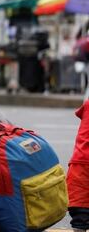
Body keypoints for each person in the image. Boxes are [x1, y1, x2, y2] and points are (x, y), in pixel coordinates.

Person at [67, 98, 89, 232]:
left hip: (80, 161)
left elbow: (80, 113)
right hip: (81, 162)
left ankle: (79, 227)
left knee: (80, 208)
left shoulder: (87, 103)